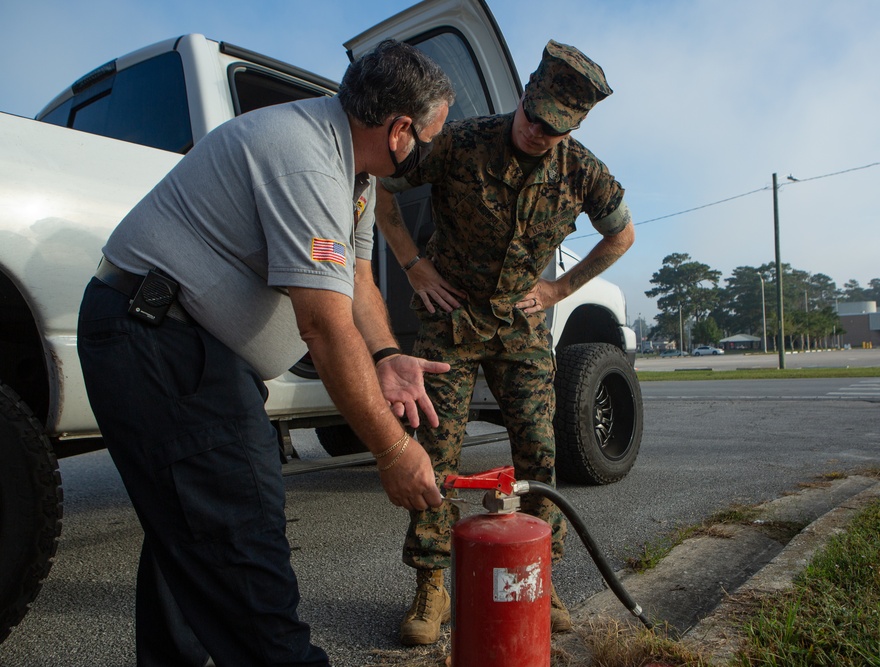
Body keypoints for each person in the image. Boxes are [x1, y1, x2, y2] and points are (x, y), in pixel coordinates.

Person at [77, 40, 455, 667]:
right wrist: (392, 449)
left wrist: (387, 353)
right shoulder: (306, 160)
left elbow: (356, 276)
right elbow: (324, 326)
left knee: (190, 544)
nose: (427, 153)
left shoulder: (355, 174)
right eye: (429, 139)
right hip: (158, 338)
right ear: (399, 130)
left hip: (190, 345)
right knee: (240, 543)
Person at [375, 40, 635, 646]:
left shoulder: (582, 171)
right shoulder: (461, 142)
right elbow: (381, 192)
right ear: (523, 97)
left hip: (521, 329)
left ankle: (537, 577)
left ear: (573, 126)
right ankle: (432, 584)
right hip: (452, 318)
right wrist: (413, 264)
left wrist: (559, 288)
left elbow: (620, 235)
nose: (538, 132)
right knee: (435, 453)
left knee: (541, 452)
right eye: (533, 117)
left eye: (554, 128)